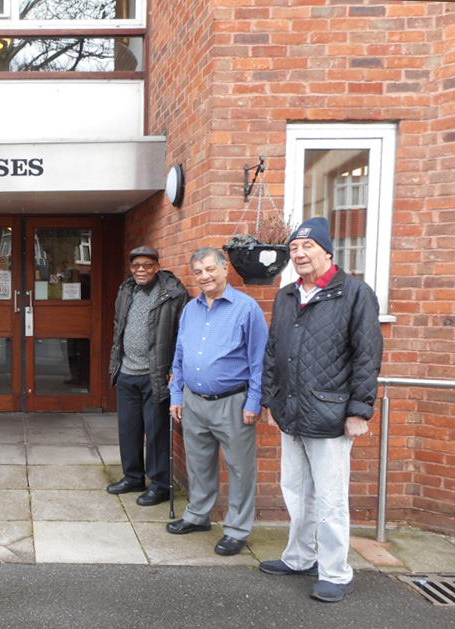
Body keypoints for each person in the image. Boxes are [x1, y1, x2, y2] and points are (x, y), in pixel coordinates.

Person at [260, 216, 383, 603]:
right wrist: (270, 399)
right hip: (290, 411)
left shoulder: (355, 293)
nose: (299, 254)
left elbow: (367, 355)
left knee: (330, 497)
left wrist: (359, 411)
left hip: (331, 413)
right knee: (296, 491)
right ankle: (299, 557)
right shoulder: (287, 295)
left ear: (328, 251)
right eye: (294, 248)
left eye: (307, 247)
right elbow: (272, 351)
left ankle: (335, 571)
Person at [167, 247, 268, 556]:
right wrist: (176, 394)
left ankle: (237, 530)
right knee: (198, 464)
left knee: (239, 469)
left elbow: (260, 359)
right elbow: (180, 355)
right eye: (198, 272)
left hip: (233, 403)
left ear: (225, 269)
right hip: (193, 401)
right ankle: (198, 516)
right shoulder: (191, 309)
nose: (205, 276)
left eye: (210, 269)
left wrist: (254, 401)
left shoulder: (247, 309)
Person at [107, 246, 189, 506]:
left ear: (157, 266)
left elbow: (182, 334)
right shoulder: (126, 290)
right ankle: (132, 477)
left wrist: (174, 371)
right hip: (127, 372)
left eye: (147, 265)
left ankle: (160, 485)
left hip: (156, 374)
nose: (141, 269)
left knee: (155, 433)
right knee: (129, 429)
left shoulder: (174, 293)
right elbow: (119, 326)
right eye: (136, 265)